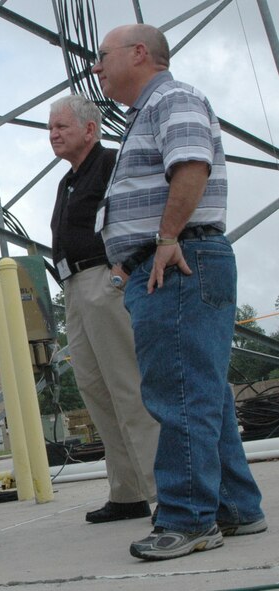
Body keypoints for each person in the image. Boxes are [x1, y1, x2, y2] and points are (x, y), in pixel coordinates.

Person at [93, 24, 266, 560]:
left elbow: (191, 165)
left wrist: (166, 238)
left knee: (181, 395)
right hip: (170, 263)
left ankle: (188, 520)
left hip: (180, 260)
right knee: (202, 392)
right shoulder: (150, 110)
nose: (95, 67)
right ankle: (236, 507)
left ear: (138, 53)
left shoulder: (172, 99)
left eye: (102, 56)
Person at [48, 94, 159, 524]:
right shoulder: (67, 181)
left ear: (90, 129)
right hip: (75, 288)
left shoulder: (111, 163)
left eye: (62, 127)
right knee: (96, 390)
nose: (54, 135)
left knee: (127, 386)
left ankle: (163, 492)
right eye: (51, 128)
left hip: (105, 279)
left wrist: (123, 269)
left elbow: (140, 212)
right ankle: (127, 491)